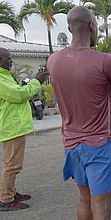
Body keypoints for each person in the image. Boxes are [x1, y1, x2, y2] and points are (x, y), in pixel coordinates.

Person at [47, 6, 111, 219]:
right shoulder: (104, 61)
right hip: (99, 144)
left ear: (70, 27)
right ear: (91, 26)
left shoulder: (53, 61)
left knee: (84, 199)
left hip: (71, 144)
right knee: (101, 205)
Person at [0, 48, 48, 211]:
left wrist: (24, 84)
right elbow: (18, 95)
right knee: (12, 165)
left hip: (15, 126)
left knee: (13, 163)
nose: (11, 62)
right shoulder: (0, 78)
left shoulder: (5, 76)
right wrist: (36, 82)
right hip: (11, 127)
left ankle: (10, 192)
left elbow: (15, 93)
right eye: (8, 59)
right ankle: (5, 199)